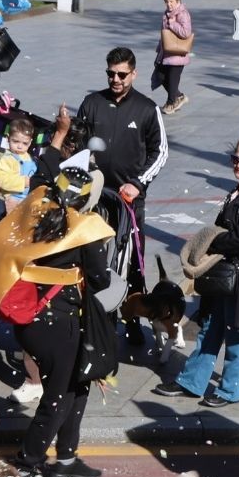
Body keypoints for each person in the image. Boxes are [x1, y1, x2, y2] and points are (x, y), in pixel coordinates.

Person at [0, 166, 114, 477]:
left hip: (32, 319)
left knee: (77, 386)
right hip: (60, 322)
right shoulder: (84, 228)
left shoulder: (34, 209)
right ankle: (27, 464)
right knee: (60, 395)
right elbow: (101, 280)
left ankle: (66, 459)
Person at [164, 134, 239, 407]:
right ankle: (192, 382)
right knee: (210, 327)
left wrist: (211, 241)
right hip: (227, 271)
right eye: (235, 158)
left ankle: (229, 390)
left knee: (238, 333)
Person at [73, 47, 168, 308]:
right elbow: (77, 144)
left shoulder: (147, 109)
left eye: (122, 75)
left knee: (133, 259)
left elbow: (160, 152)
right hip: (96, 196)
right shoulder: (91, 103)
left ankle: (133, 312)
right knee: (92, 253)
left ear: (134, 74)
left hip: (129, 198)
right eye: (111, 74)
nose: (115, 79)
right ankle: (93, 308)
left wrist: (138, 183)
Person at [152, 0, 192, 114]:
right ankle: (179, 96)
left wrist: (173, 23)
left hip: (177, 54)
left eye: (171, 1)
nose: (169, 4)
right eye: (166, 1)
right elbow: (164, 34)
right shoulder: (166, 13)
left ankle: (170, 103)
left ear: (178, 1)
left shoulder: (182, 14)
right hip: (166, 52)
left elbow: (186, 33)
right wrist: (160, 49)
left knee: (173, 79)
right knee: (160, 76)